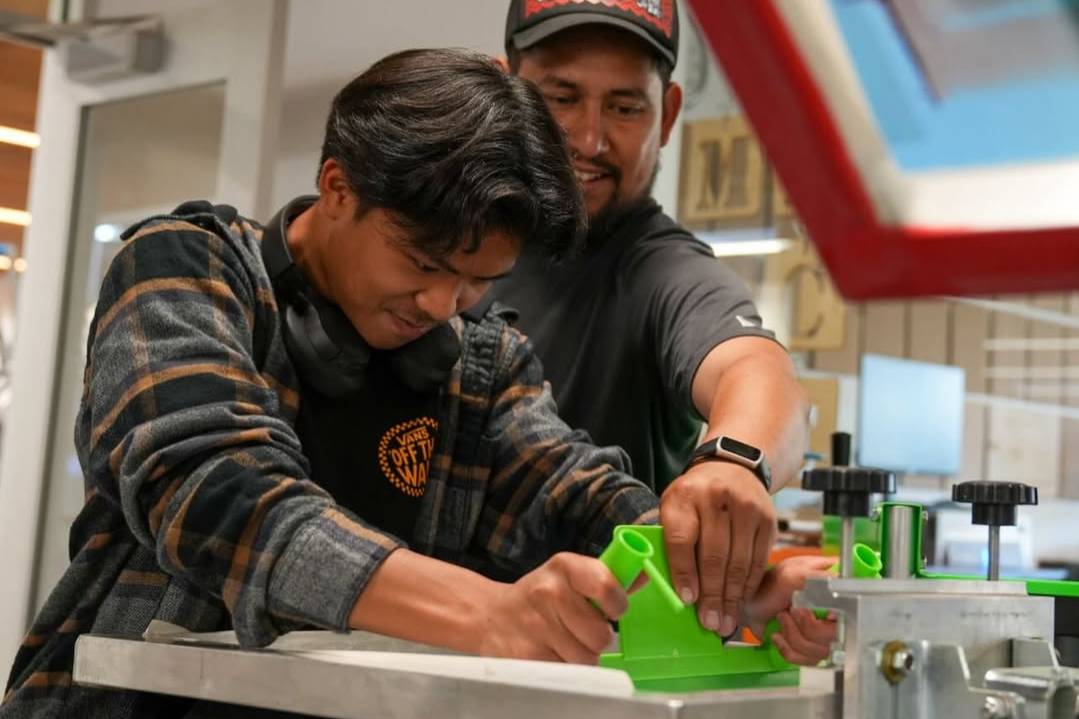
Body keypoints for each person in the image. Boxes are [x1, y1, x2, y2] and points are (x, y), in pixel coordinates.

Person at [1, 48, 831, 719]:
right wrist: (486, 611)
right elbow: (217, 496)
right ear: (336, 188)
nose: (441, 307)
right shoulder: (186, 271)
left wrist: (719, 575)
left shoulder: (479, 360)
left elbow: (576, 498)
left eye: (475, 284)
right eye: (424, 264)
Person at [497, 0, 812, 640]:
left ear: (666, 115)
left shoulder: (660, 271)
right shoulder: (450, 245)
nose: (589, 139)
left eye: (624, 106)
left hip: (599, 672)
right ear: (509, 92)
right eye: (561, 97)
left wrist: (735, 462)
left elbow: (754, 368)